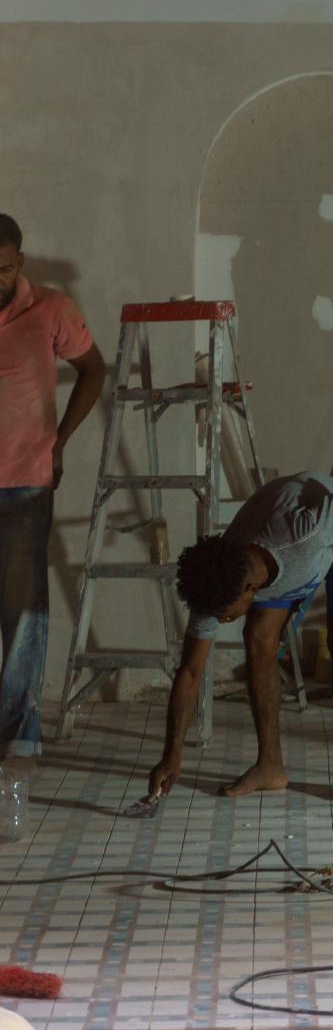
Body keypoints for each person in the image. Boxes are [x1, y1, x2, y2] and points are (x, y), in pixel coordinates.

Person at [147, 471, 333, 802]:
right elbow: (190, 672)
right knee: (259, 637)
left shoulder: (305, 534)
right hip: (283, 557)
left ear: (249, 589)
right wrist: (171, 754)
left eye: (226, 614)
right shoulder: (217, 576)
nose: (221, 620)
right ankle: (270, 766)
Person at [0, 213, 106, 774]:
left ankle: (19, 738)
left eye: (4, 268)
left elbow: (93, 369)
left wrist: (60, 441)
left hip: (24, 482)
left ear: (19, 262)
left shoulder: (51, 309)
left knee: (23, 614)